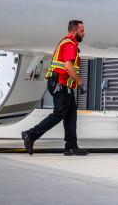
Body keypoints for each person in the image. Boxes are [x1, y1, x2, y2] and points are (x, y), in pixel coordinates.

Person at [22, 20, 88, 156]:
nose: (84, 33)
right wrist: (80, 83)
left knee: (71, 116)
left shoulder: (66, 42)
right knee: (59, 114)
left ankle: (71, 146)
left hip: (62, 84)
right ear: (74, 31)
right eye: (82, 31)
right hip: (60, 84)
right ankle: (30, 134)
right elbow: (68, 66)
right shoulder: (70, 44)